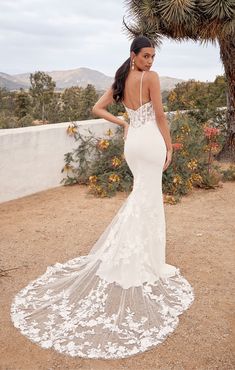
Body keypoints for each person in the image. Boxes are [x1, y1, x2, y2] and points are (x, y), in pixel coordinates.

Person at [10, 35, 195, 360]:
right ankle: (146, 260)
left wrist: (123, 120)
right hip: (149, 142)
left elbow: (97, 108)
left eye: (153, 57)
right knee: (147, 200)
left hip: (132, 144)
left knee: (142, 198)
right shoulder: (149, 79)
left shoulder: (122, 79)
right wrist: (169, 146)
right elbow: (162, 117)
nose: (151, 62)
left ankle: (138, 255)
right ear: (134, 55)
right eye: (147, 55)